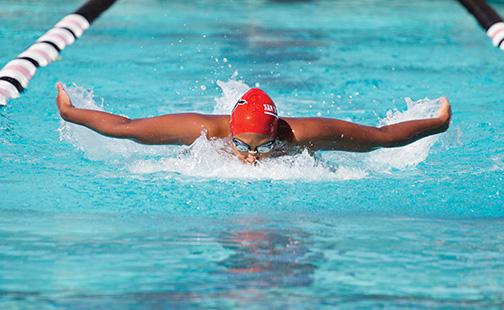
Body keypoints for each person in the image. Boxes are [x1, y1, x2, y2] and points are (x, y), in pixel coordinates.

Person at [55, 82, 451, 164]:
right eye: (242, 146)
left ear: (278, 131)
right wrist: (71, 113)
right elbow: (123, 127)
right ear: (229, 130)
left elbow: (381, 138)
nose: (253, 158)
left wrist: (437, 124)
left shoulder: (302, 135)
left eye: (263, 147)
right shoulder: (204, 130)